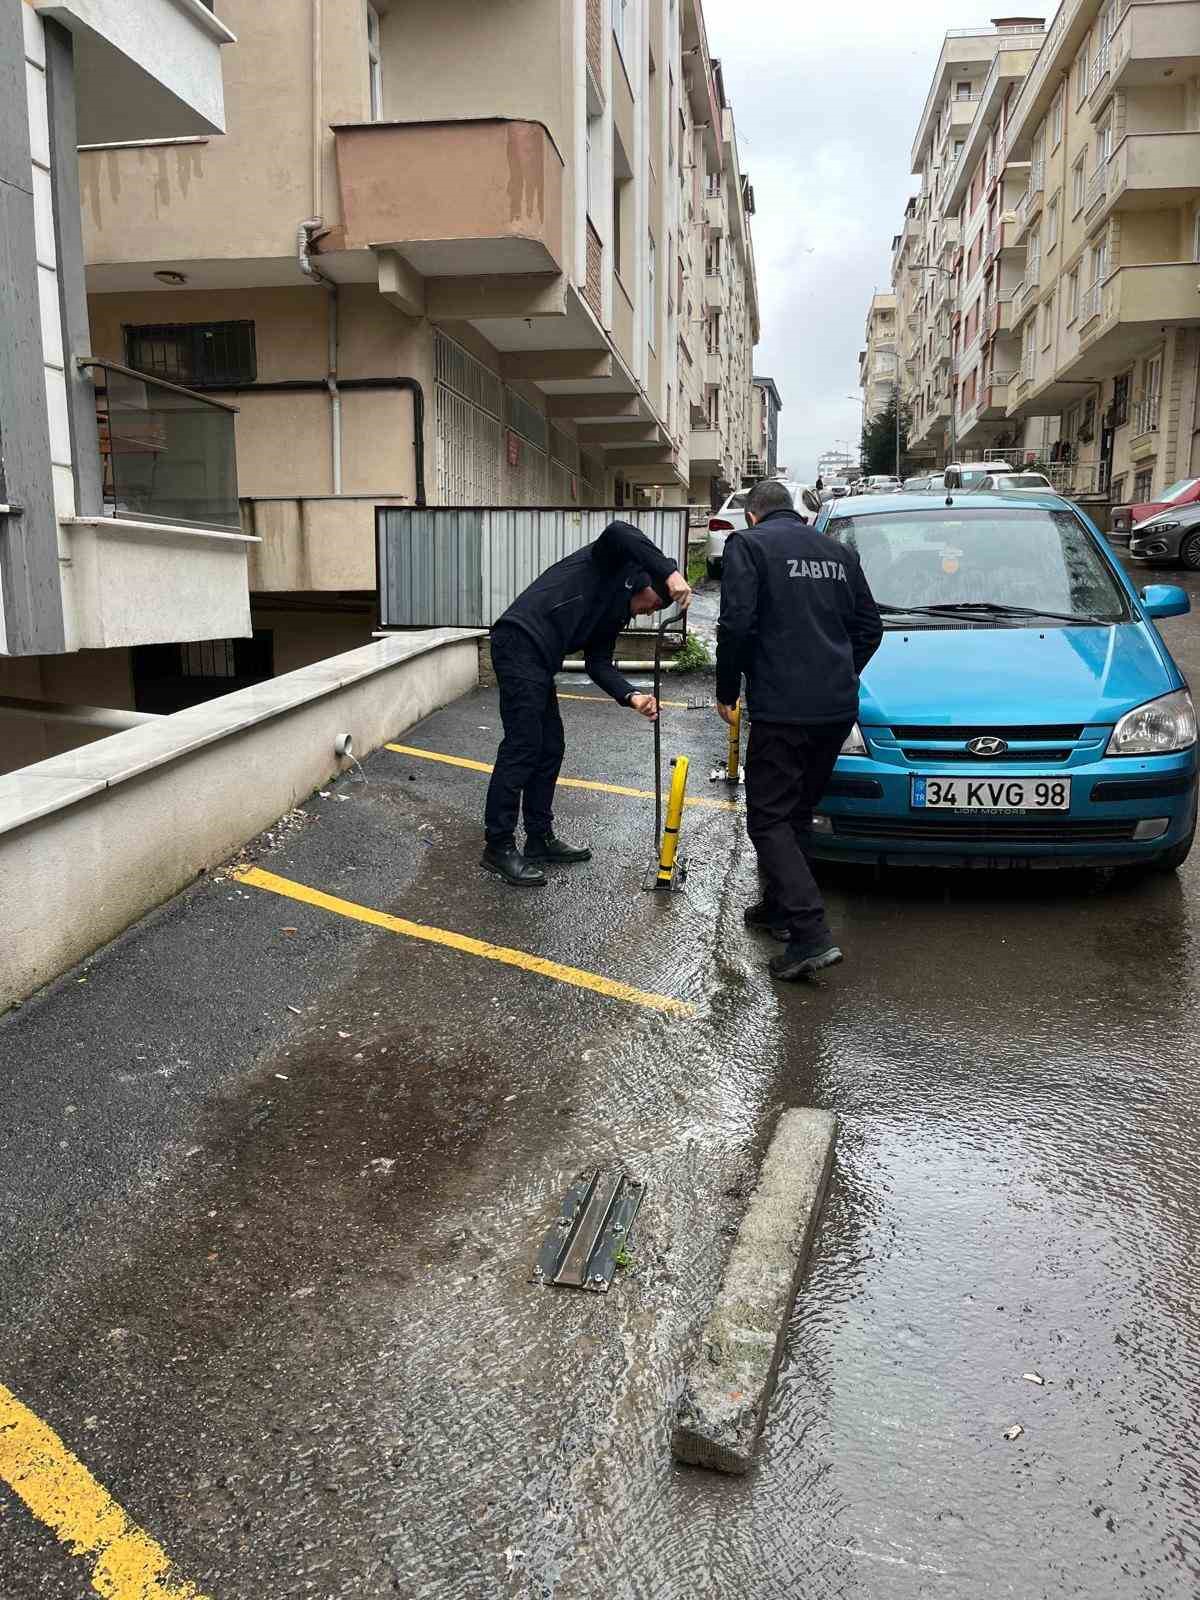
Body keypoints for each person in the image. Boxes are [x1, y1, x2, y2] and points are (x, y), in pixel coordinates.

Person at [715, 477, 882, 980]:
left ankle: (809, 934)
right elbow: (870, 628)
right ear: (794, 511)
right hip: (834, 708)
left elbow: (737, 623)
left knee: (767, 818)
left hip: (784, 708)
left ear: (751, 514)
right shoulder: (837, 552)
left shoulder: (748, 546)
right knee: (797, 812)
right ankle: (780, 910)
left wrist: (728, 690)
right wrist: (836, 670)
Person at [483, 521, 693, 886]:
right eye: (656, 603)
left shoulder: (614, 615)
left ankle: (538, 838)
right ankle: (498, 845)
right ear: (647, 584)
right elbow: (618, 530)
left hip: (538, 660)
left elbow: (598, 664)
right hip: (518, 643)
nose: (651, 612)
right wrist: (671, 573)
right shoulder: (609, 562)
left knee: (550, 747)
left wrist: (633, 696)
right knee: (523, 745)